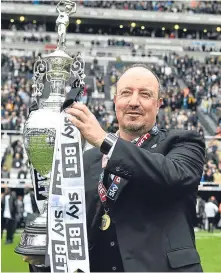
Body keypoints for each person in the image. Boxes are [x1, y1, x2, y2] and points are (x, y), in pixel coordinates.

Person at [27, 64, 205, 272]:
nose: (133, 102)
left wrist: (105, 141)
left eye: (145, 95)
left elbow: (173, 175)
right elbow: (69, 224)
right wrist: (44, 256)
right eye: (126, 93)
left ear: (158, 104)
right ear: (115, 101)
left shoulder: (183, 142)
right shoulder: (87, 160)